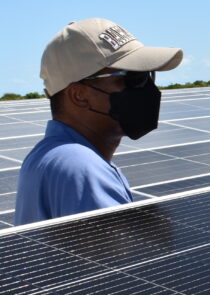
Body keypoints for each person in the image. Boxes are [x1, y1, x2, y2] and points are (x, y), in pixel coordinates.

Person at [16, 18, 184, 225]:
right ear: (79, 95)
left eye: (147, 76)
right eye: (132, 78)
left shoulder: (50, 156)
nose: (146, 88)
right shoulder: (82, 168)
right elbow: (115, 257)